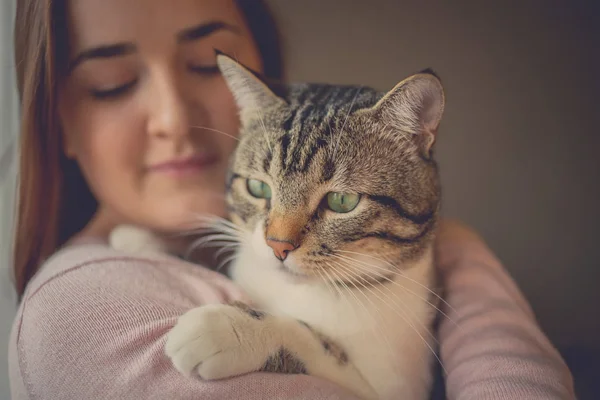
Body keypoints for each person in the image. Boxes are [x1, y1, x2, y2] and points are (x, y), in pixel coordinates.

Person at [7, 0, 576, 399]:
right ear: (56, 121)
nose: (280, 239)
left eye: (207, 63)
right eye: (111, 81)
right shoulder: (77, 314)